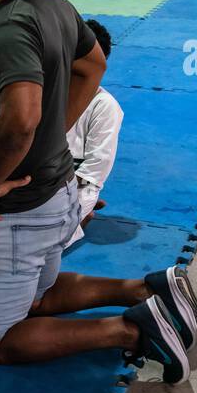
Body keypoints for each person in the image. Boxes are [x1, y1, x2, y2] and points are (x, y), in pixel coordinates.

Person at [0, 0, 197, 381]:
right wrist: (55, 131)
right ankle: (146, 290)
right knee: (37, 298)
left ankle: (134, 331)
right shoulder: (56, 4)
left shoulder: (10, 28)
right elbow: (93, 66)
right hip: (58, 192)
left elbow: (21, 119)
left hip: (20, 209)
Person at [65, 20, 124, 247]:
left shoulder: (105, 105)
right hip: (38, 180)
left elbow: (95, 170)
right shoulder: (44, 90)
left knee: (31, 249)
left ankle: (82, 217)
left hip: (75, 185)